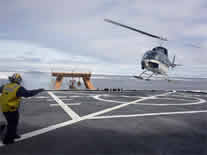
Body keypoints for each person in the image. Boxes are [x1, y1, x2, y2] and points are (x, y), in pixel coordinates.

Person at [0, 73, 44, 144]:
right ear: (18, 80)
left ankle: (13, 134)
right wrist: (38, 90)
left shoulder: (5, 86)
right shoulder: (18, 88)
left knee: (13, 122)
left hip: (5, 108)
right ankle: (7, 140)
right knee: (12, 124)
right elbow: (28, 94)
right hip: (11, 109)